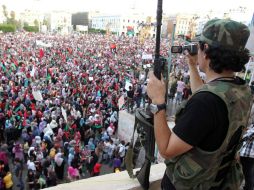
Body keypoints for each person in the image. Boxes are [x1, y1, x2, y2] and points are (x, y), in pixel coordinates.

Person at [147, 19, 252, 189]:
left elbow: (166, 149)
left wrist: (158, 102)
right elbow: (208, 99)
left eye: (200, 45)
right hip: (216, 179)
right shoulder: (241, 89)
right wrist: (192, 65)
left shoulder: (205, 104)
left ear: (206, 50)